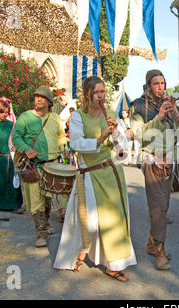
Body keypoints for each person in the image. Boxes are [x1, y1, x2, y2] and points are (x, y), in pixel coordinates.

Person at [54, 76, 136, 282]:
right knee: (88, 220)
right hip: (89, 173)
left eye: (103, 92)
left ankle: (113, 264)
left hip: (111, 172)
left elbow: (122, 148)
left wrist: (116, 132)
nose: (101, 96)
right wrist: (100, 138)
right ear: (88, 94)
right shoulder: (78, 117)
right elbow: (76, 143)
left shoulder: (110, 113)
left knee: (114, 219)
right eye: (96, 93)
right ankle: (80, 251)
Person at [129, 69, 179, 270]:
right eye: (156, 83)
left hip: (169, 161)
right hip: (152, 160)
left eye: (163, 83)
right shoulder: (137, 105)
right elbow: (139, 135)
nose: (161, 87)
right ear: (148, 86)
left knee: (163, 206)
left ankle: (152, 244)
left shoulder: (170, 104)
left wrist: (177, 114)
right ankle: (160, 251)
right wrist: (160, 116)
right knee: (158, 209)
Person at [12, 85, 69, 247]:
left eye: (42, 97)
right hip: (33, 165)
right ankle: (40, 233)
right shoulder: (25, 117)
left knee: (48, 198)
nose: (38, 99)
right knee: (36, 199)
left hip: (52, 165)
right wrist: (27, 149)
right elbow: (16, 138)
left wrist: (64, 148)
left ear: (49, 102)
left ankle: (45, 224)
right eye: (36, 96)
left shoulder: (55, 118)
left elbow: (61, 136)